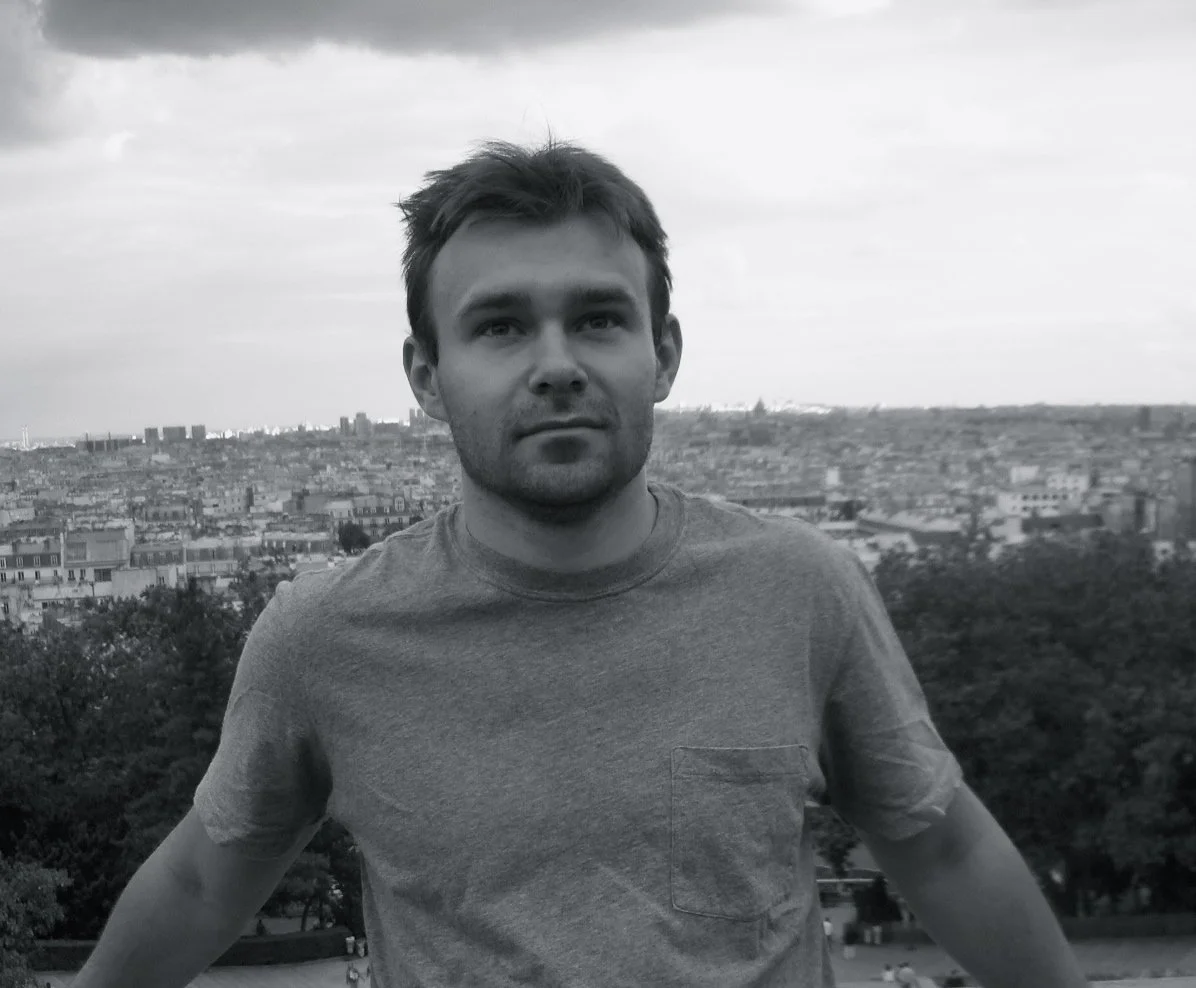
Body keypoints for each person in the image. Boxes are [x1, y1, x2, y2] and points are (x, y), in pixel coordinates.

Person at [68, 139, 1091, 988]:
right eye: (501, 325)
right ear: (425, 375)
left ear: (663, 353)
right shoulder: (322, 637)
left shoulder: (801, 588)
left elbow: (941, 847)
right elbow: (207, 879)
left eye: (596, 318)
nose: (555, 363)